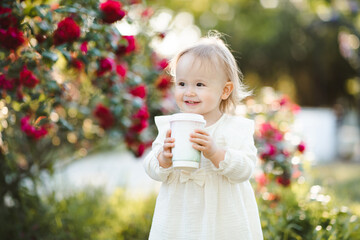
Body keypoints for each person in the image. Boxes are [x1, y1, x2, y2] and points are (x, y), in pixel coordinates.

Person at [143, 32, 263, 240]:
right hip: (179, 218)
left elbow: (245, 169)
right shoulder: (170, 126)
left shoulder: (234, 129)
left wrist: (215, 153)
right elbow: (152, 168)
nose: (189, 92)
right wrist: (163, 158)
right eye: (182, 84)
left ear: (225, 90)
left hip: (222, 220)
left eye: (199, 85)